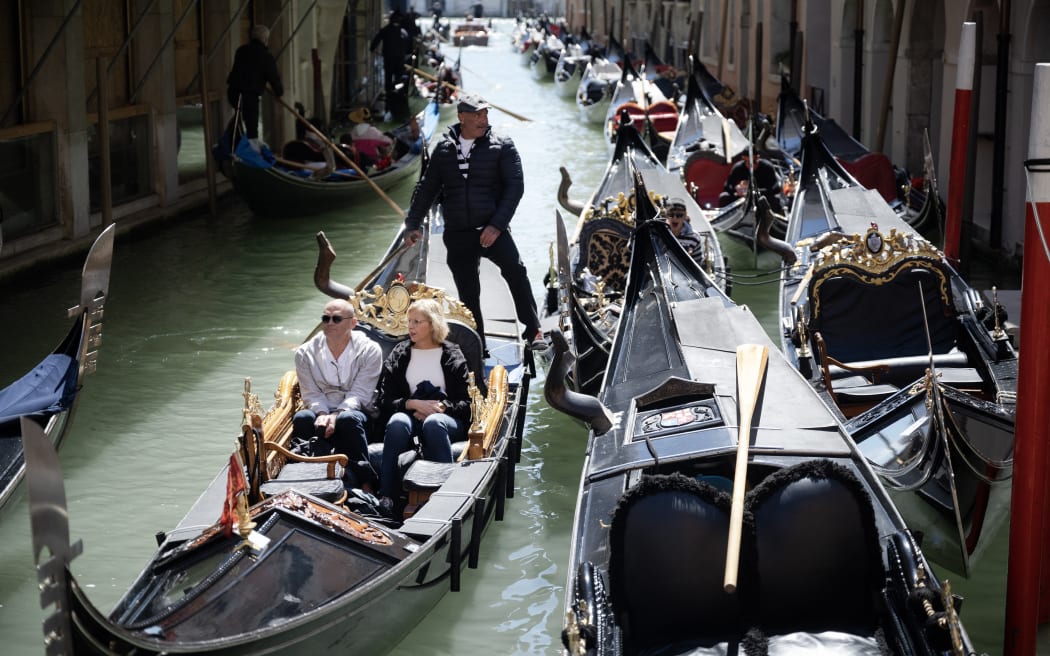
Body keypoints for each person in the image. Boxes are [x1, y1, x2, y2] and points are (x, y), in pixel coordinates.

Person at [402, 93, 543, 352]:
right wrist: (412, 224)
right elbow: (427, 188)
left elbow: (516, 187)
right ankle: (479, 344)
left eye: (485, 114)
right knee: (468, 293)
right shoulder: (444, 150)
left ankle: (533, 330)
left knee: (516, 271)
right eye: (477, 114)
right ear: (462, 117)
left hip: (493, 229)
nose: (483, 119)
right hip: (457, 233)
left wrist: (497, 226)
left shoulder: (502, 145)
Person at [375, 299, 472, 516]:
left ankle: (447, 493)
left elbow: (466, 402)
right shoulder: (401, 353)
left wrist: (440, 407)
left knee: (434, 423)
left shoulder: (452, 354)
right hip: (409, 416)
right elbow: (385, 399)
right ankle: (387, 496)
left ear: (433, 324)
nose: (410, 326)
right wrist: (411, 403)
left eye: (417, 322)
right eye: (409, 321)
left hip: (445, 420)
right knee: (397, 422)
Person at [292, 299, 383, 486]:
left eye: (336, 319)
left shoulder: (370, 350)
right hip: (321, 410)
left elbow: (360, 393)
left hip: (359, 411)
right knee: (302, 418)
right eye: (326, 318)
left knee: (347, 420)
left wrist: (336, 415)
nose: (330, 323)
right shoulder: (304, 353)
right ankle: (306, 479)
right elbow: (311, 393)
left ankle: (366, 483)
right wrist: (323, 413)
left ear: (353, 323)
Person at [226, 24, 284, 149]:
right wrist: (279, 93)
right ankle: (252, 150)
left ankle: (240, 146)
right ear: (265, 40)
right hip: (248, 95)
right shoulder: (266, 57)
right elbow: (274, 78)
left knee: (240, 119)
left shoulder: (241, 50)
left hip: (232, 92)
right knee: (251, 125)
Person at [718, 152, 786, 214]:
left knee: (775, 199)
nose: (752, 165)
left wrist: (755, 191)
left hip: (763, 196)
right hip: (743, 196)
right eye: (748, 162)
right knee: (724, 197)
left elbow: (775, 188)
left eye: (754, 161)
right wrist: (737, 189)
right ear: (744, 159)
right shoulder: (738, 168)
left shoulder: (767, 167)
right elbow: (728, 186)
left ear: (758, 157)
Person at [371, 10, 411, 94]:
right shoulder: (403, 32)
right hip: (399, 60)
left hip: (388, 59)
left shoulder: (385, 30)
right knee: (398, 77)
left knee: (388, 77)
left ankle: (389, 94)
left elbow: (376, 41)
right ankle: (398, 94)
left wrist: (372, 48)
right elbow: (408, 47)